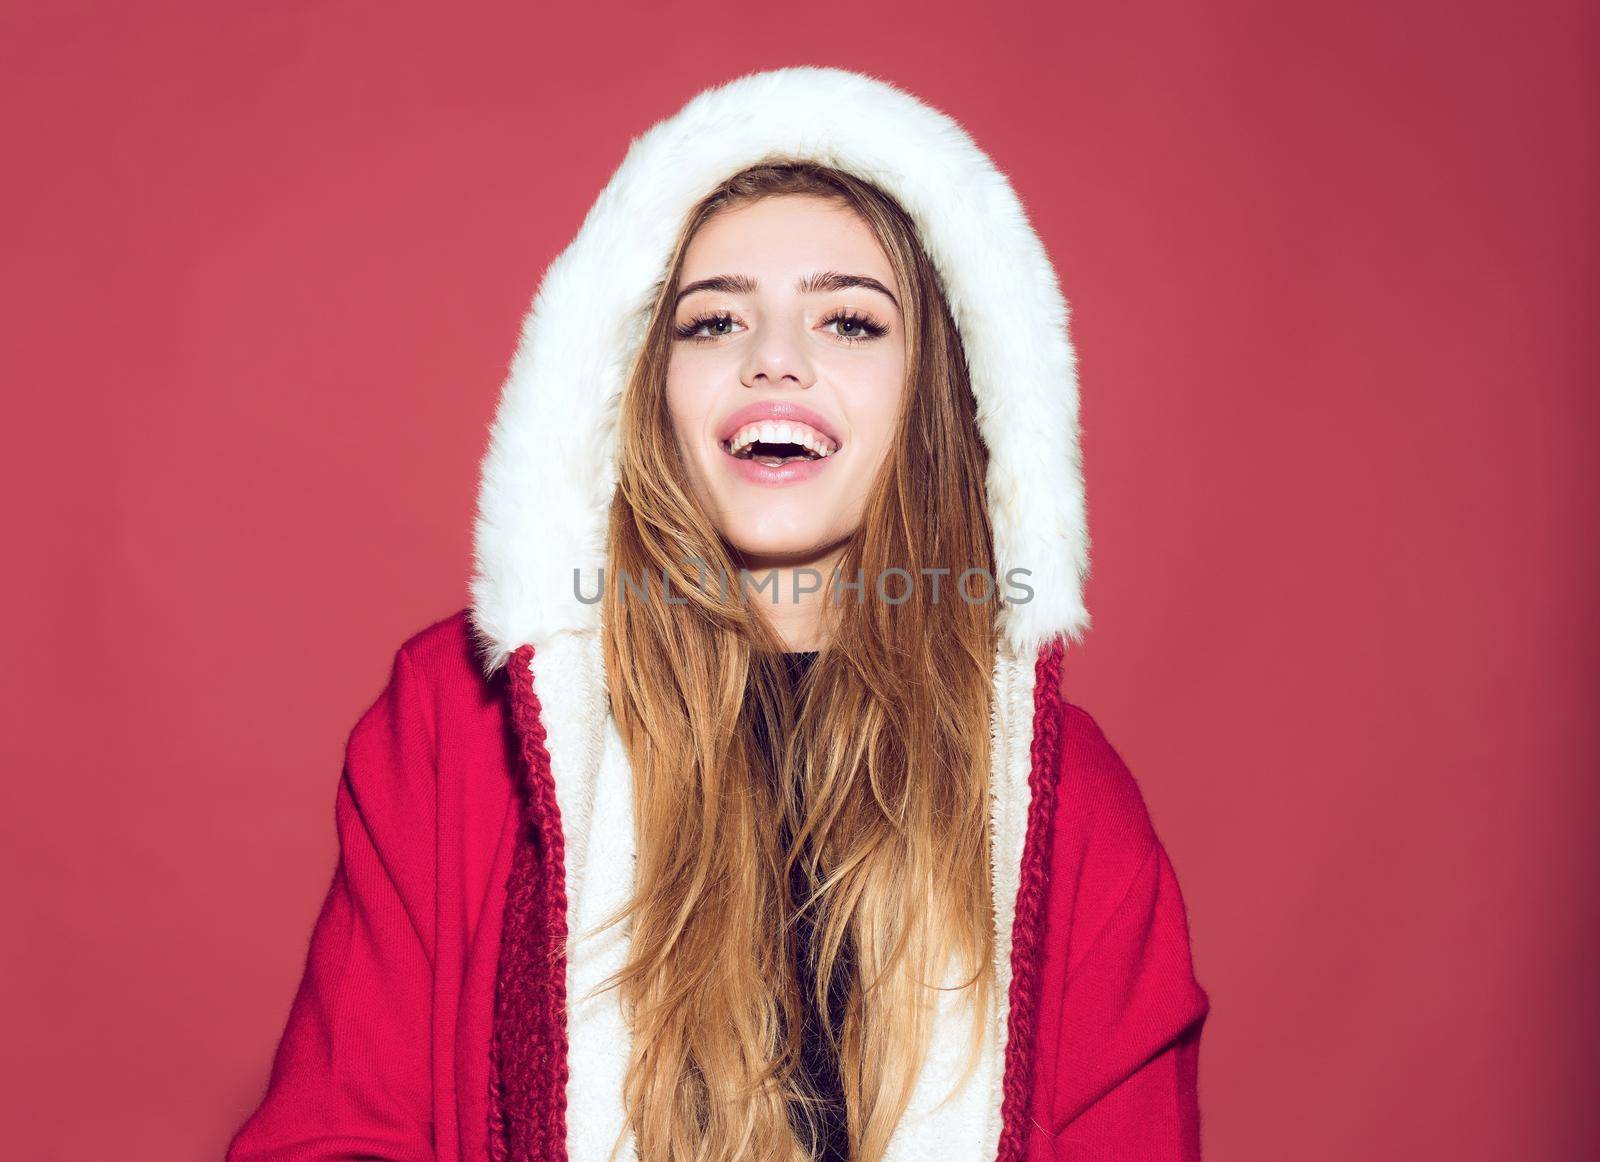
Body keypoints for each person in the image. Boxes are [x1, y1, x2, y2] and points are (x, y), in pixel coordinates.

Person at [227, 66, 1210, 1162]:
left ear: (937, 397)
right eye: (712, 323)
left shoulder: (1069, 806)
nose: (773, 358)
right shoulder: (458, 727)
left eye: (847, 320)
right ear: (635, 390)